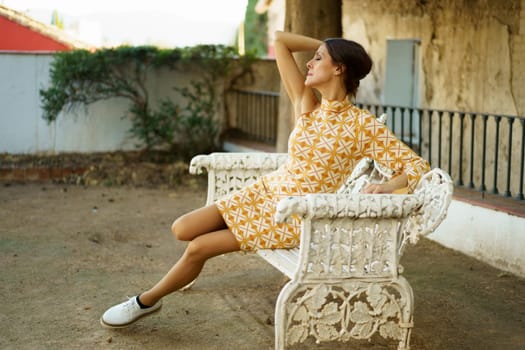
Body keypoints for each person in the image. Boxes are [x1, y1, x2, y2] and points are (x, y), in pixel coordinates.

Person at [100, 31, 430, 328]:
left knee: (199, 247)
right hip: (266, 190)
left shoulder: (363, 126)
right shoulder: (307, 105)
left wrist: (386, 185)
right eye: (314, 57)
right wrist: (328, 46)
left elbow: (416, 168)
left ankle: (145, 301)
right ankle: (210, 252)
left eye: (319, 59)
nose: (310, 63)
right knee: (182, 229)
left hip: (294, 214)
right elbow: (281, 40)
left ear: (339, 68)